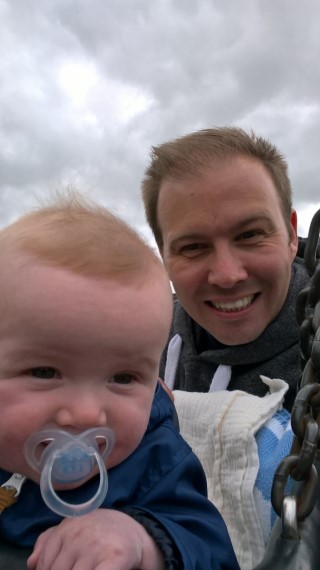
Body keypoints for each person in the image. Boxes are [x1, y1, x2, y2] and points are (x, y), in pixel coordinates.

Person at [0, 192, 240, 570]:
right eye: (44, 372)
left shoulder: (156, 459)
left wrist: (144, 540)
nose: (85, 414)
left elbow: (212, 549)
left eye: (124, 378)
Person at [141, 126, 311, 412]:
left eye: (250, 235)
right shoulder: (139, 344)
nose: (228, 276)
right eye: (193, 247)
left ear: (291, 235)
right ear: (164, 255)